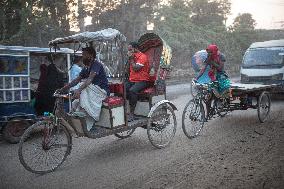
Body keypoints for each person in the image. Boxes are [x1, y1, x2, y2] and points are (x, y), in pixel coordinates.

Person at [57, 46, 109, 131]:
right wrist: (63, 89)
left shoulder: (96, 64)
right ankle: (80, 121)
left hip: (102, 91)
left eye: (84, 54)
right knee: (75, 103)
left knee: (84, 87)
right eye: (82, 54)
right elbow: (76, 80)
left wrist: (79, 90)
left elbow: (89, 79)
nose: (82, 56)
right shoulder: (86, 67)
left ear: (91, 55)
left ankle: (93, 120)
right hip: (93, 91)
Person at [125, 42, 150, 122]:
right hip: (132, 80)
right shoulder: (132, 57)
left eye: (130, 49)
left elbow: (136, 68)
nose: (129, 51)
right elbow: (127, 71)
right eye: (128, 50)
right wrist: (129, 60)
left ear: (135, 49)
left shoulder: (143, 57)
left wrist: (131, 59)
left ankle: (132, 113)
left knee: (132, 90)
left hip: (143, 80)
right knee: (123, 88)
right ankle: (126, 110)